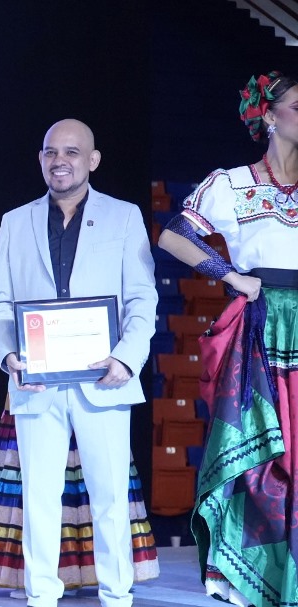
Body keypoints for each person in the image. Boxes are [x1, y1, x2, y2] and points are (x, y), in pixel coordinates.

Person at [0, 119, 157, 607]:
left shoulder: (123, 216)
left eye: (71, 152)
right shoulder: (14, 221)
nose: (59, 161)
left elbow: (142, 298)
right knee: (38, 498)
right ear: (40, 159)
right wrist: (9, 354)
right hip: (35, 380)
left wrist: (127, 358)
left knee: (110, 498)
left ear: (93, 160)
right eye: (50, 152)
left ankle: (117, 595)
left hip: (105, 378)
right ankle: (41, 595)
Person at [157, 70, 298, 607]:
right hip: (262, 326)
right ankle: (249, 576)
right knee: (262, 454)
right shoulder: (233, 183)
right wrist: (229, 274)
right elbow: (174, 235)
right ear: (269, 116)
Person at [0, 406, 160, 594]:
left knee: (107, 495)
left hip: (95, 396)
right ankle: (37, 586)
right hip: (39, 397)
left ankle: (114, 587)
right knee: (38, 495)